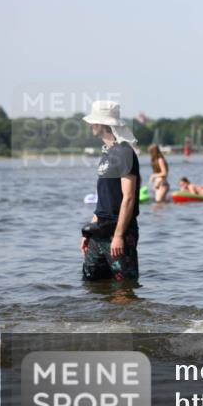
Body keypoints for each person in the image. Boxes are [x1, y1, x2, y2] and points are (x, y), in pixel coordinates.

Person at [80, 100, 141, 282]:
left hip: (119, 231)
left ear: (101, 123)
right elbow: (104, 198)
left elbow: (129, 198)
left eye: (93, 121)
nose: (90, 125)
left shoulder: (124, 152)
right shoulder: (108, 152)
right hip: (99, 231)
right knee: (92, 284)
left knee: (124, 288)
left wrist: (119, 236)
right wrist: (88, 233)